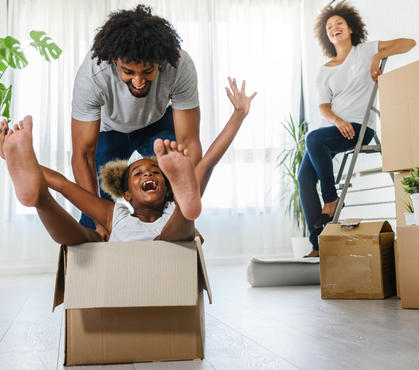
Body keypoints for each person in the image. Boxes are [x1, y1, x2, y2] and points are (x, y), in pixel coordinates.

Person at [0, 78, 256, 245]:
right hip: (118, 254)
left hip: (169, 239)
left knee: (176, 230)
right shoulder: (114, 213)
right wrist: (16, 160)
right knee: (84, 239)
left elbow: (208, 160)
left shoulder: (169, 209)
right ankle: (39, 199)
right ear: (127, 195)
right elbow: (64, 184)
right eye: (138, 174)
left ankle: (188, 210)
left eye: (156, 172)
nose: (148, 175)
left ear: (166, 187)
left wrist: (239, 115)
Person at [71, 4, 202, 239]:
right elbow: (82, 154)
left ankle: (176, 228)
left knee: (166, 185)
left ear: (160, 62)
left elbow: (189, 143)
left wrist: (185, 220)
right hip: (109, 131)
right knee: (97, 215)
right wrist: (98, 222)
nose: (139, 81)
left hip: (157, 123)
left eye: (148, 71)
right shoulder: (93, 75)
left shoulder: (179, 66)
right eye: (128, 72)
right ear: (114, 60)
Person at [298, 1, 415, 257]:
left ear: (350, 28)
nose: (334, 27)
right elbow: (324, 108)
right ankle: (318, 245)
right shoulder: (324, 71)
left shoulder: (364, 51)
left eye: (339, 23)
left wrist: (377, 55)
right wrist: (338, 121)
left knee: (314, 139)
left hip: (360, 127)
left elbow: (409, 43)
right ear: (326, 35)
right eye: (329, 26)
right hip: (332, 130)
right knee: (304, 177)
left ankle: (331, 199)